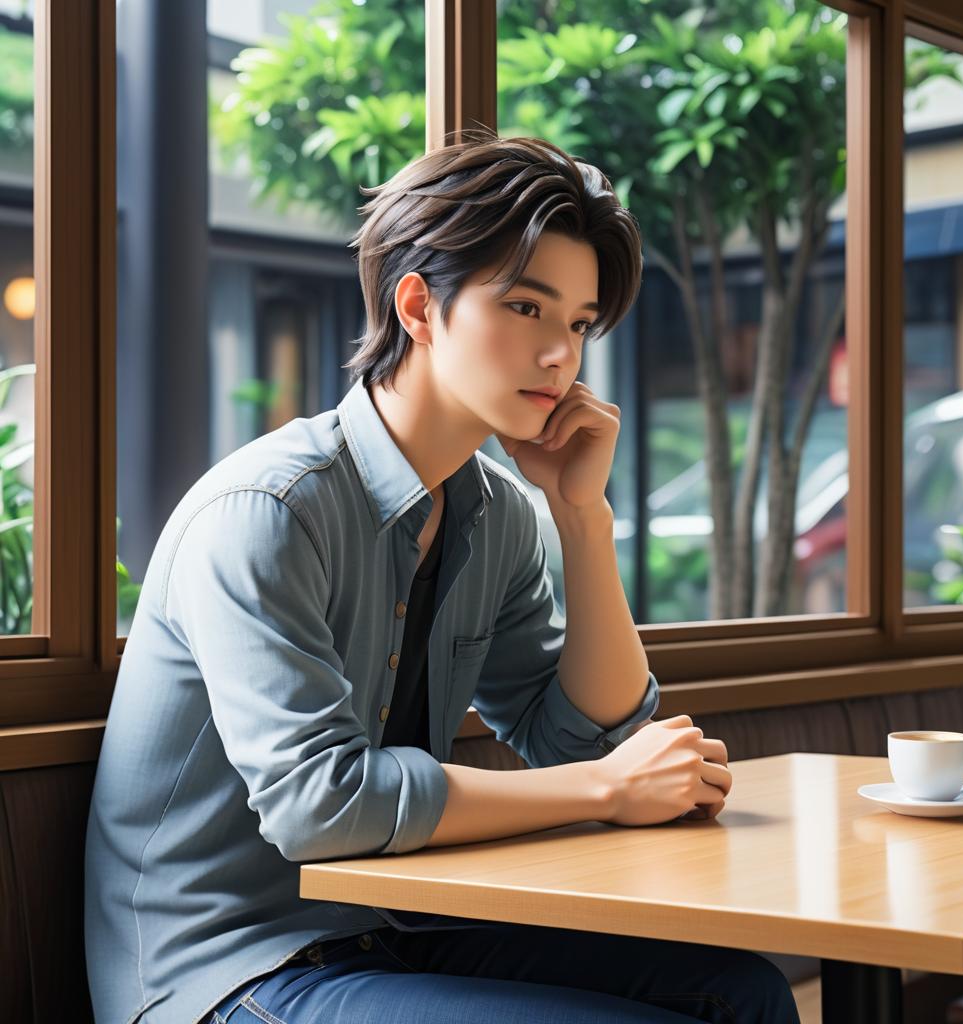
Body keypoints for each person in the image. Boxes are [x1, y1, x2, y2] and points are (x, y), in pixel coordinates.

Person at [84, 132, 799, 1024]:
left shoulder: (494, 512)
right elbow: (320, 805)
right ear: (419, 308)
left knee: (744, 993)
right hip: (225, 969)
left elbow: (581, 742)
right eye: (528, 309)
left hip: (395, 925)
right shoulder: (268, 509)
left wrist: (582, 518)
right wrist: (607, 791)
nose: (561, 356)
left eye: (578, 323)